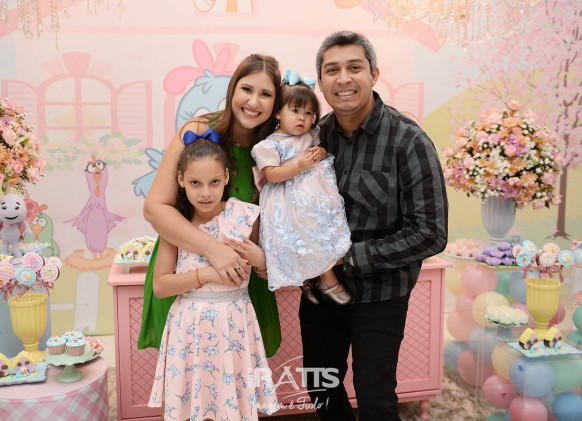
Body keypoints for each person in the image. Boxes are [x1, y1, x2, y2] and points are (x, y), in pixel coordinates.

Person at [299, 31, 448, 421]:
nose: (343, 79)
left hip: (381, 294)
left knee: (375, 399)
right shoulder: (314, 138)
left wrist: (348, 257)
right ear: (321, 83)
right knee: (320, 388)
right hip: (320, 291)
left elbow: (431, 233)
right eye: (332, 70)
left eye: (354, 67)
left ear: (374, 74)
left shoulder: (408, 140)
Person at [138, 54, 282, 359]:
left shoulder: (277, 146)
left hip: (240, 283)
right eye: (246, 89)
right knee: (186, 373)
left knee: (233, 372)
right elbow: (155, 208)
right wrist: (213, 250)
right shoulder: (200, 130)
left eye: (266, 94)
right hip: (186, 275)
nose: (253, 102)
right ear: (232, 90)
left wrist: (268, 261)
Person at [148, 136, 279, 420]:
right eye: (195, 183)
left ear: (227, 177)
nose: (205, 193)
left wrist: (260, 259)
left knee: (233, 402)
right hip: (189, 328)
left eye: (214, 182)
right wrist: (207, 273)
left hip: (234, 325)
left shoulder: (245, 215)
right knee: (190, 402)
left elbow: (268, 269)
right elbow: (160, 286)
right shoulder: (177, 224)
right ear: (181, 180)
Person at [251, 70, 352, 305]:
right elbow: (272, 174)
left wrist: (321, 152)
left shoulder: (312, 134)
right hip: (287, 201)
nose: (302, 119)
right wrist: (298, 166)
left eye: (308, 113)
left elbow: (322, 151)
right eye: (295, 111)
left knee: (319, 232)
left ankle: (319, 275)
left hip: (314, 198)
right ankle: (312, 279)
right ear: (278, 111)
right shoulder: (269, 145)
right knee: (296, 236)